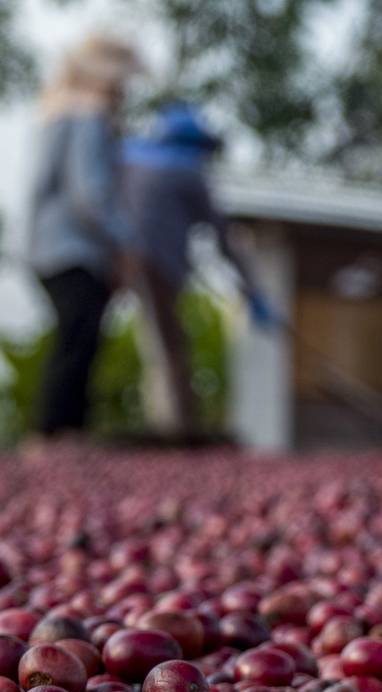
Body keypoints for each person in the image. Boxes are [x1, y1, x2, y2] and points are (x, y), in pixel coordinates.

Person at [123, 102, 274, 441]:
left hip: (122, 258)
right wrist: (253, 291)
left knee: (157, 340)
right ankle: (177, 429)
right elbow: (224, 238)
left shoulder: (130, 158)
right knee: (169, 345)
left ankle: (171, 423)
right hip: (157, 263)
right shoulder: (187, 171)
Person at [24, 34, 143, 440]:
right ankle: (58, 432)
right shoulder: (89, 114)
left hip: (46, 246)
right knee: (79, 339)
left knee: (75, 336)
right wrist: (124, 241)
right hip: (75, 248)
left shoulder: (56, 112)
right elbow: (89, 193)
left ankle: (61, 433)